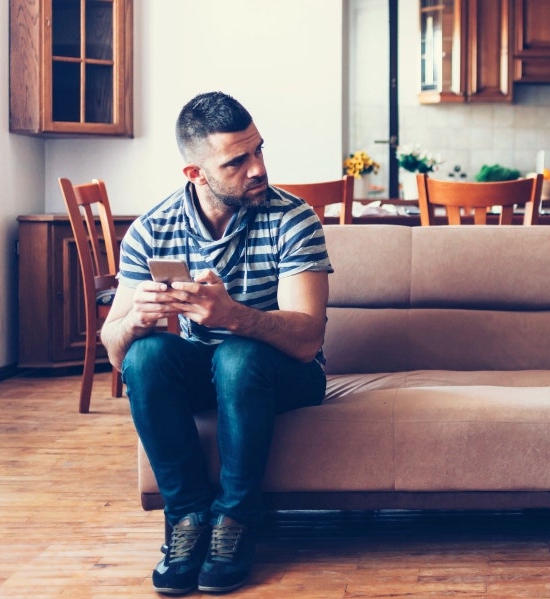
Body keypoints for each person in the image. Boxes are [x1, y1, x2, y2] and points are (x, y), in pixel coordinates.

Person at [100, 91, 331, 594]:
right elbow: (116, 354)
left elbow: (308, 339)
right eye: (237, 161)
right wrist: (135, 320)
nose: (257, 169)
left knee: (237, 355)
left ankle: (236, 521)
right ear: (195, 174)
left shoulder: (293, 218)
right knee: (148, 355)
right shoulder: (150, 230)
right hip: (205, 371)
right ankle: (186, 520)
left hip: (283, 374)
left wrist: (234, 316)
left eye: (259, 151)